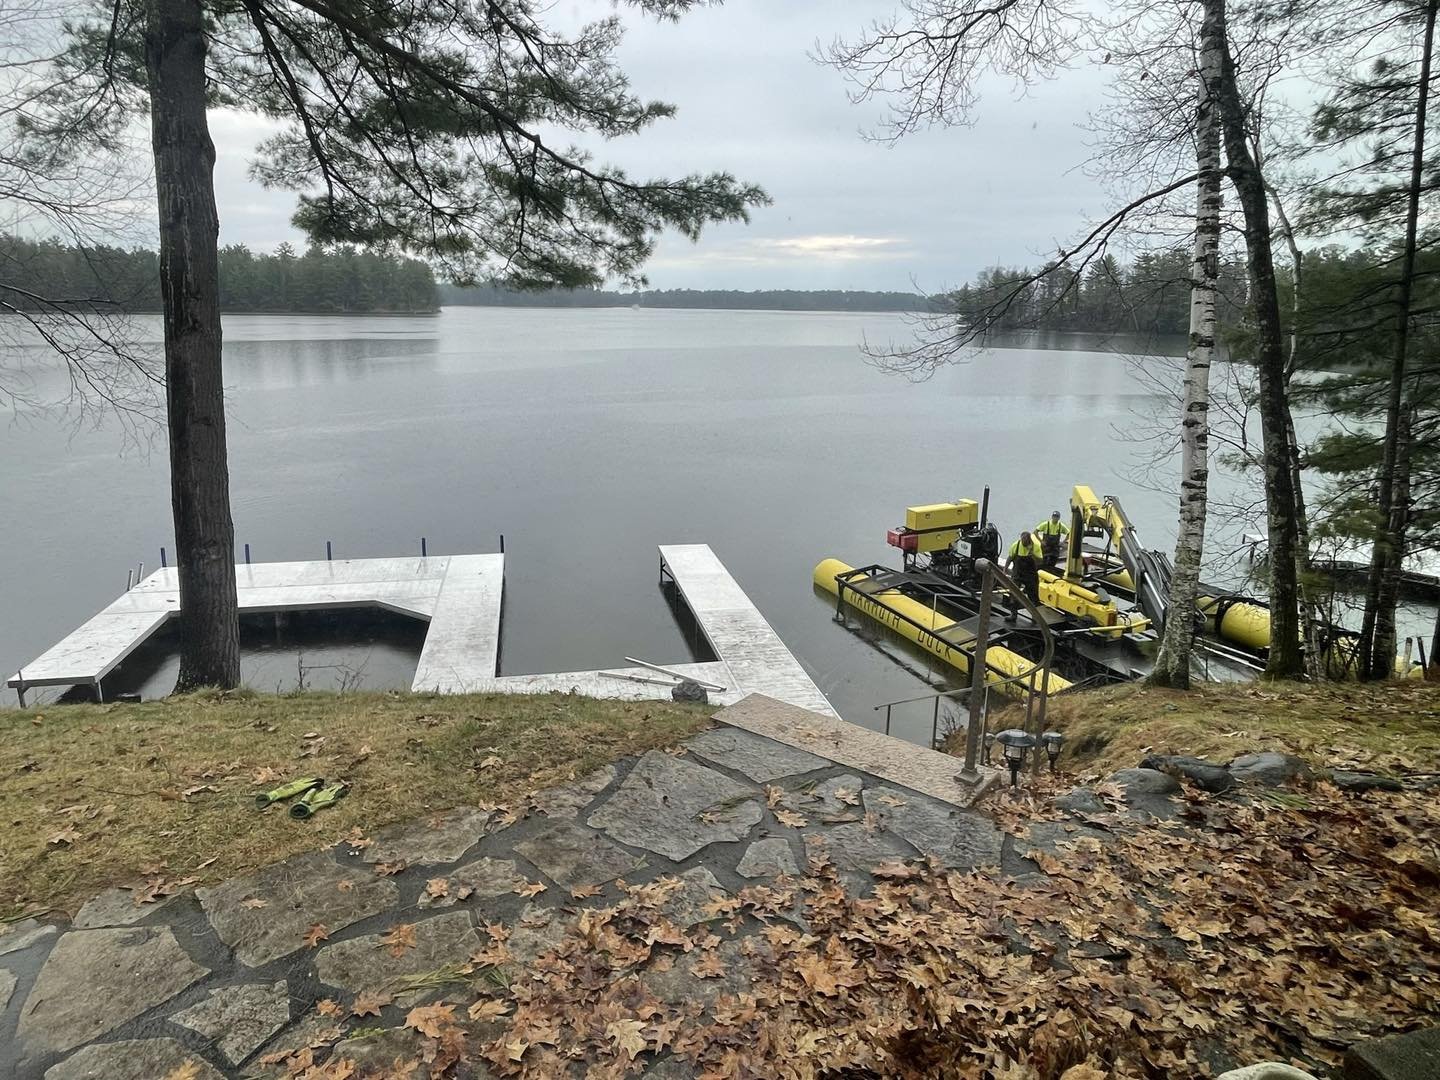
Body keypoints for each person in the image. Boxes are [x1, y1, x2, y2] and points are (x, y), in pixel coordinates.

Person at [1004, 530, 1044, 612]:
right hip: (1018, 573)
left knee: (1033, 594)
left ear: (1030, 541)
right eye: (1023, 543)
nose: (1024, 545)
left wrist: (1032, 554)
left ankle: (1035, 614)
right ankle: (1013, 614)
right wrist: (1005, 569)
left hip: (1030, 574)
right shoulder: (1016, 545)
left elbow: (1040, 561)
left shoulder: (1036, 546)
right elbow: (1010, 558)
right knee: (1014, 592)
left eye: (1026, 543)